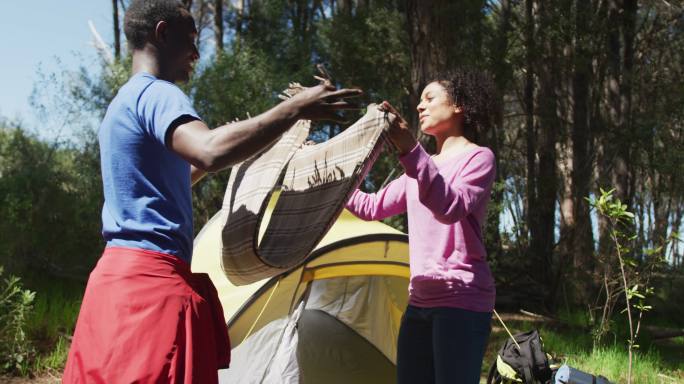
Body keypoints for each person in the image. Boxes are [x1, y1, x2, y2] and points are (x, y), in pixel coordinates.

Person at [62, 1, 361, 383]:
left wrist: (245, 140)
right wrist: (295, 110)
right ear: (161, 33)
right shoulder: (158, 95)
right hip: (151, 293)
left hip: (116, 288)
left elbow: (175, 177)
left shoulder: (123, 103)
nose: (196, 54)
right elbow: (210, 149)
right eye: (190, 40)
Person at [345, 69, 498, 384]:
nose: (419, 106)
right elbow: (370, 207)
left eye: (430, 98)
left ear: (459, 106)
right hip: (419, 302)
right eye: (419, 100)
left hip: (461, 301)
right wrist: (332, 178)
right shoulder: (418, 165)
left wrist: (411, 151)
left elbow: (449, 207)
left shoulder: (479, 158)